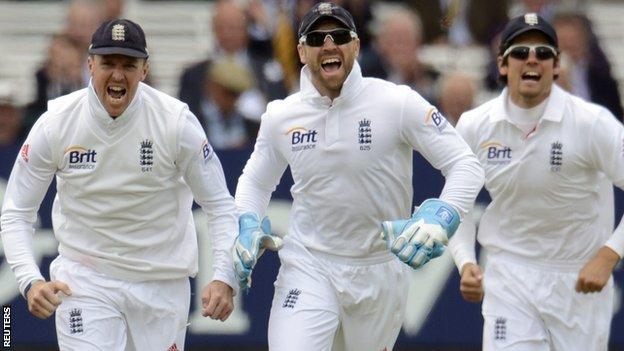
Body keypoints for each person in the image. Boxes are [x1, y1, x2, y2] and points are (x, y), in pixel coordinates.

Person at [231, 3, 484, 350]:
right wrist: (247, 221)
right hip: (308, 265)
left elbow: (465, 164)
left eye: (339, 36)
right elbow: (255, 182)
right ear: (302, 51)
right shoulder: (282, 115)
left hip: (379, 272)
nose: (329, 45)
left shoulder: (396, 102)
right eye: (317, 38)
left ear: (356, 45)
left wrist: (444, 213)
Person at [0, 19, 238, 350]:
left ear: (145, 70)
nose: (117, 75)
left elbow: (219, 205)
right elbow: (17, 211)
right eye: (108, 63)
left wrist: (224, 275)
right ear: (90, 65)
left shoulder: (175, 122)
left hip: (162, 283)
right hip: (85, 281)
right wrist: (29, 280)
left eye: (129, 65)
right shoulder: (56, 123)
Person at [449, 13, 624, 350]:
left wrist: (609, 254)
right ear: (502, 64)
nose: (532, 59)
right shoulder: (474, 125)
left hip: (577, 280)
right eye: (520, 52)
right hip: (508, 276)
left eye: (543, 53)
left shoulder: (592, 123)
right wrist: (466, 261)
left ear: (557, 66)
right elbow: (457, 201)